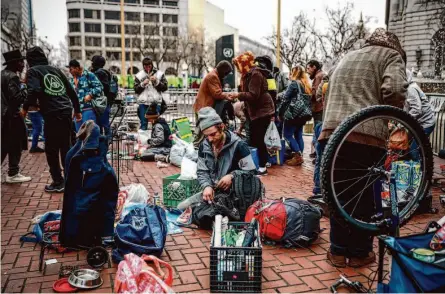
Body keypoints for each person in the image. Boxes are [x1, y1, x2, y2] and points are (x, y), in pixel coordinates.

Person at [320, 28, 407, 268]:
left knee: (337, 194)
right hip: (365, 134)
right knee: (365, 196)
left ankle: (338, 251)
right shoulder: (391, 56)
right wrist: (394, 115)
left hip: (331, 134)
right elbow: (395, 90)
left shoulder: (350, 55)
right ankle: (359, 252)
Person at [23, 46, 82, 193]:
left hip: (52, 113)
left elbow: (33, 90)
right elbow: (71, 91)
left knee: (51, 149)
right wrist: (77, 110)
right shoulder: (55, 70)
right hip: (66, 110)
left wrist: (25, 108)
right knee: (66, 147)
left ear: (29, 60)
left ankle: (58, 181)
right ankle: (70, 180)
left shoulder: (33, 71)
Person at [177, 107, 256, 210]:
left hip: (236, 194)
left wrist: (232, 176)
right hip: (215, 192)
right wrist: (206, 186)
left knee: (213, 215)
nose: (210, 139)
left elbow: (252, 172)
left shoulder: (239, 146)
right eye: (206, 136)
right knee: (181, 207)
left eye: (213, 134)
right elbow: (202, 171)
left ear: (222, 127)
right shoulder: (204, 146)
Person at [231, 53, 275, 175]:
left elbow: (253, 95)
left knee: (259, 139)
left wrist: (237, 95)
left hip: (262, 111)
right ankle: (260, 163)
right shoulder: (248, 74)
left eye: (238, 65)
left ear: (244, 64)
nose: (237, 69)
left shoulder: (255, 74)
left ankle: (262, 167)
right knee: (256, 139)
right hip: (256, 111)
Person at [1, 49, 32, 183]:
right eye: (21, 61)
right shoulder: (12, 77)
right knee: (15, 144)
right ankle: (13, 173)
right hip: (11, 116)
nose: (23, 64)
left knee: (5, 145)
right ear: (15, 63)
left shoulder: (2, 74)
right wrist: (26, 88)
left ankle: (13, 172)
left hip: (5, 116)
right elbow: (16, 98)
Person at [311, 61, 338, 200]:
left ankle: (317, 188)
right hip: (334, 124)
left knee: (320, 158)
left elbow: (317, 97)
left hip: (323, 122)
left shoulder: (324, 83)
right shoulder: (338, 85)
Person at [192, 60, 234, 147]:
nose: (226, 76)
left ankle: (199, 151)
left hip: (204, 109)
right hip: (203, 109)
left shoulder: (215, 75)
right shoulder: (213, 76)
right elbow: (217, 94)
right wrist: (228, 96)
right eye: (226, 73)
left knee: (204, 134)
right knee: (201, 134)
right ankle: (195, 153)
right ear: (223, 70)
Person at [279, 65, 312, 166]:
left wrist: (280, 111)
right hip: (303, 114)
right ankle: (299, 156)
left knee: (287, 134)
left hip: (293, 114)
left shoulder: (294, 83)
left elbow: (285, 98)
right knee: (298, 135)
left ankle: (297, 156)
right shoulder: (305, 84)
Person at [67, 59, 103, 131]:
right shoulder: (71, 80)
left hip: (88, 109)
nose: (69, 71)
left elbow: (99, 87)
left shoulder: (88, 75)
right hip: (77, 112)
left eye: (71, 69)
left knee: (89, 133)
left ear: (77, 68)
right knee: (79, 134)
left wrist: (90, 95)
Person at [134, 57, 168, 131]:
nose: (147, 68)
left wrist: (156, 81)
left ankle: (156, 140)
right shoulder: (139, 75)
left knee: (156, 123)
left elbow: (165, 87)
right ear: (143, 66)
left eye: (149, 66)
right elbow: (136, 90)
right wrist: (142, 84)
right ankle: (143, 140)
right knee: (143, 123)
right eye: (145, 67)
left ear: (152, 65)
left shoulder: (159, 74)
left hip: (156, 102)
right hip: (143, 102)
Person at [306, 60, 326, 159]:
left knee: (318, 131)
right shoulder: (322, 75)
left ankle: (319, 155)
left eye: (308, 68)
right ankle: (317, 153)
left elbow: (315, 94)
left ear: (314, 67)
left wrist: (307, 96)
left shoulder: (318, 77)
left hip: (319, 109)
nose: (307, 71)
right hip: (321, 108)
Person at [90, 55, 112, 137]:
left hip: (101, 103)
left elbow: (104, 88)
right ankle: (103, 144)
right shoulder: (102, 72)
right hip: (103, 102)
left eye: (92, 62)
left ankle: (104, 145)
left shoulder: (100, 73)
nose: (91, 63)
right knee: (103, 124)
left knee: (102, 125)